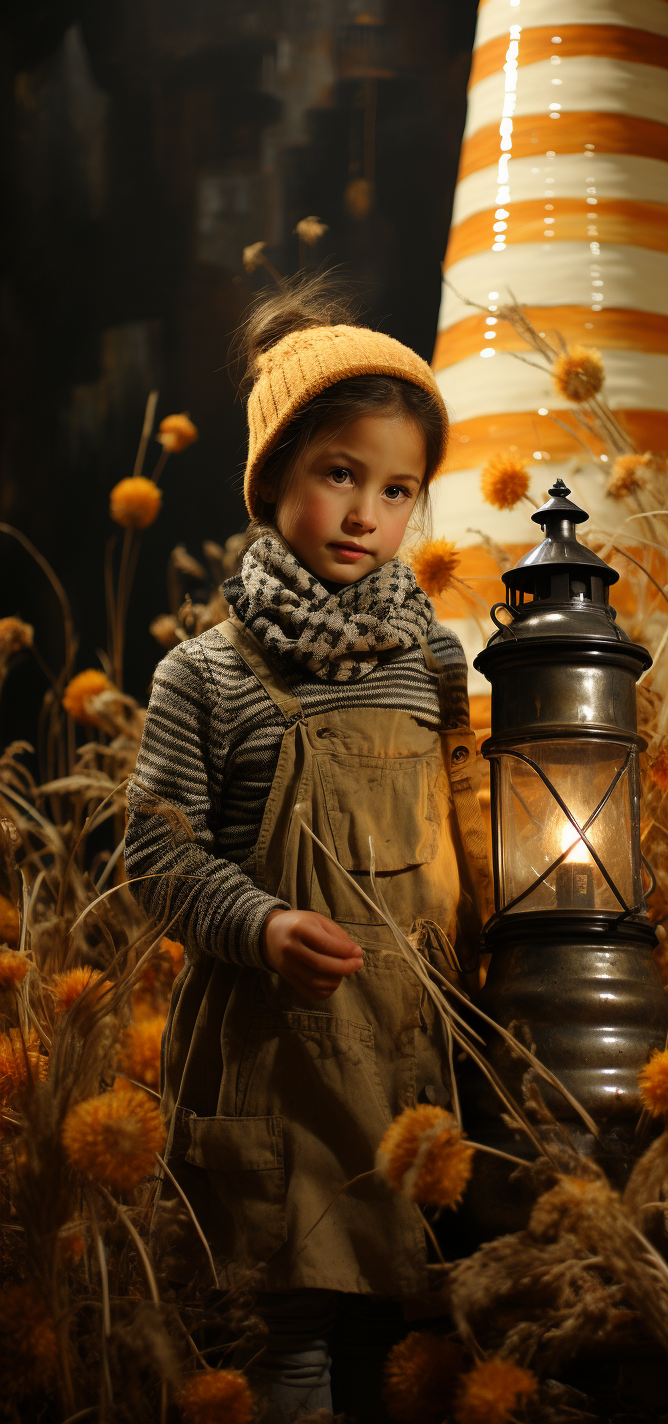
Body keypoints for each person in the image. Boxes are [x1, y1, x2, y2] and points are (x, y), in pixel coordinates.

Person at [124, 274, 491, 1421]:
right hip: (277, 1051)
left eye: (397, 489)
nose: (365, 514)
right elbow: (152, 850)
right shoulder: (210, 674)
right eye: (339, 473)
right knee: (291, 1325)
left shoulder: (429, 660)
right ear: (273, 474)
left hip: (412, 1045)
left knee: (399, 1329)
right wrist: (260, 920)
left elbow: (473, 814)